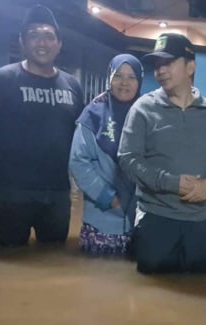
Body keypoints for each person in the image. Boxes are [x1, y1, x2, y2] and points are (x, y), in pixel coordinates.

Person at [118, 33, 206, 274]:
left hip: (200, 225)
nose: (160, 70)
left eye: (168, 62)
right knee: (150, 302)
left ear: (190, 66)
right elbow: (128, 159)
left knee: (198, 298)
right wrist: (172, 183)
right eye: (157, 65)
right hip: (156, 220)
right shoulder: (143, 109)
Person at [0, 5, 84, 250]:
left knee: (55, 258)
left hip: (56, 190)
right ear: (22, 42)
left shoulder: (72, 86)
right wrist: (4, 150)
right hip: (13, 189)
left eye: (48, 36)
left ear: (59, 44)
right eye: (33, 35)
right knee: (11, 256)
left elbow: (79, 135)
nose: (41, 42)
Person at [69, 54, 143, 256]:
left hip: (139, 222)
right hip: (101, 219)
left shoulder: (147, 114)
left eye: (132, 77)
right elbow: (78, 162)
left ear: (140, 81)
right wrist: (107, 198)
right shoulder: (93, 114)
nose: (124, 83)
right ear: (109, 77)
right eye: (118, 76)